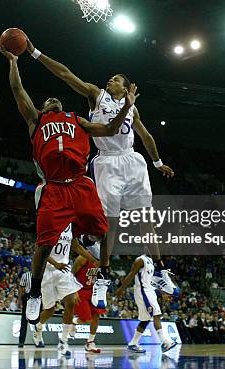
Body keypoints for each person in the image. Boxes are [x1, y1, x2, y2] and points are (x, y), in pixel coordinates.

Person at [24, 38, 178, 307]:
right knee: (111, 222)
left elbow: (146, 135)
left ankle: (160, 271)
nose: (110, 81)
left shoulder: (133, 107)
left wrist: (156, 163)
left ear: (125, 85)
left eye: (116, 79)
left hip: (132, 159)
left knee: (146, 217)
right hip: (107, 162)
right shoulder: (96, 94)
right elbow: (65, 74)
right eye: (110, 78)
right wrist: (35, 52)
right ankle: (103, 277)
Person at [0, 45, 137, 323]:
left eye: (55, 98)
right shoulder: (35, 119)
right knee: (43, 243)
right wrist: (14, 62)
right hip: (53, 188)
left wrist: (127, 107)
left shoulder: (78, 119)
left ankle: (104, 275)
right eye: (47, 99)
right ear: (43, 107)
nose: (52, 99)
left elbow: (110, 130)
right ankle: (35, 293)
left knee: (105, 230)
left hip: (79, 184)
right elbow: (17, 90)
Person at [32, 224, 98, 357]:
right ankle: (38, 327)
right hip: (47, 271)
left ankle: (63, 341)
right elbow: (38, 247)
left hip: (63, 270)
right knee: (50, 310)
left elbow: (77, 246)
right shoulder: (50, 222)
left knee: (71, 301)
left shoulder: (70, 226)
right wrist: (55, 263)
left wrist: (94, 260)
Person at [115, 254, 177, 353]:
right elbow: (131, 275)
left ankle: (133, 343)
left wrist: (162, 292)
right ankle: (165, 342)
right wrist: (121, 289)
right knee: (156, 314)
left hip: (149, 290)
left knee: (146, 319)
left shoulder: (151, 261)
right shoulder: (140, 260)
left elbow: (151, 281)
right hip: (143, 291)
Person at [17, 269, 32, 348]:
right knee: (24, 320)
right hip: (27, 296)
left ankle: (39, 340)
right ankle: (21, 341)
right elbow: (20, 288)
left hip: (38, 297)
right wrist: (19, 300)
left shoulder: (42, 275)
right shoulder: (25, 275)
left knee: (39, 320)